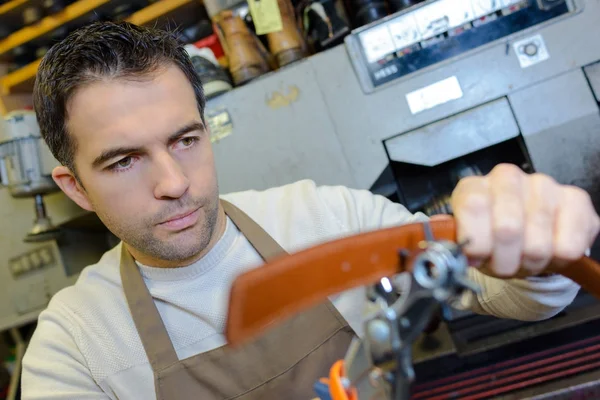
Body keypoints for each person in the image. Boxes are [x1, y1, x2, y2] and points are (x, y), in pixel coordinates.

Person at [21, 21, 599, 400]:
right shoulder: (73, 348)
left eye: (185, 140)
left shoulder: (322, 217)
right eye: (124, 161)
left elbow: (512, 297)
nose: (174, 183)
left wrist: (531, 248)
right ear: (75, 188)